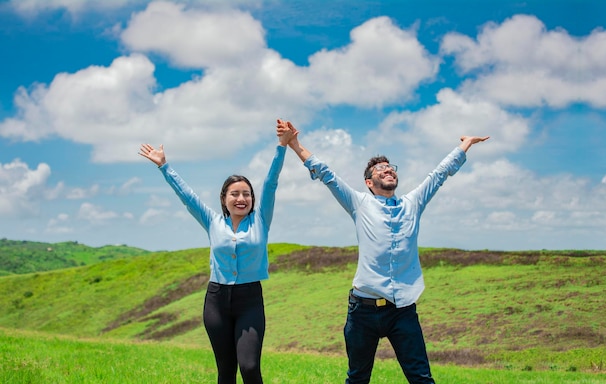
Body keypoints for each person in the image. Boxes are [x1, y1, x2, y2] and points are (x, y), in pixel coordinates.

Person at [277, 120, 489, 384]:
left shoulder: (413, 203)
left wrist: (465, 145)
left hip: (402, 310)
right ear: (369, 181)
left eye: (390, 168)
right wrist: (295, 144)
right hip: (363, 310)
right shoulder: (359, 202)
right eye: (380, 169)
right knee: (357, 378)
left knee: (422, 378)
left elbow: (439, 174)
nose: (388, 170)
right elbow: (325, 173)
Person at [138, 120, 292, 384]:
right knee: (225, 372)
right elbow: (187, 196)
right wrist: (165, 166)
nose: (241, 199)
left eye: (246, 194)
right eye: (234, 194)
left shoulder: (261, 219)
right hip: (217, 301)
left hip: (249, 300)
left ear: (253, 199)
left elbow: (271, 183)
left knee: (250, 366)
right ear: (224, 198)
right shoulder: (212, 221)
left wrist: (282, 146)